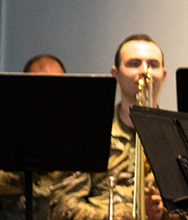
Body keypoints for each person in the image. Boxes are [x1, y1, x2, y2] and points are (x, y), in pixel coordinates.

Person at [49, 34, 170, 220]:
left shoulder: (177, 137)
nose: (144, 70)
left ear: (163, 74)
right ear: (115, 74)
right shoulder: (87, 133)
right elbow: (61, 205)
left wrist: (163, 214)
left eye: (153, 64)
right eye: (134, 63)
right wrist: (118, 217)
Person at [0, 54, 68, 220]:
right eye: (40, 86)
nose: (48, 95)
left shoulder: (74, 140)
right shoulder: (6, 133)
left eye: (56, 87)